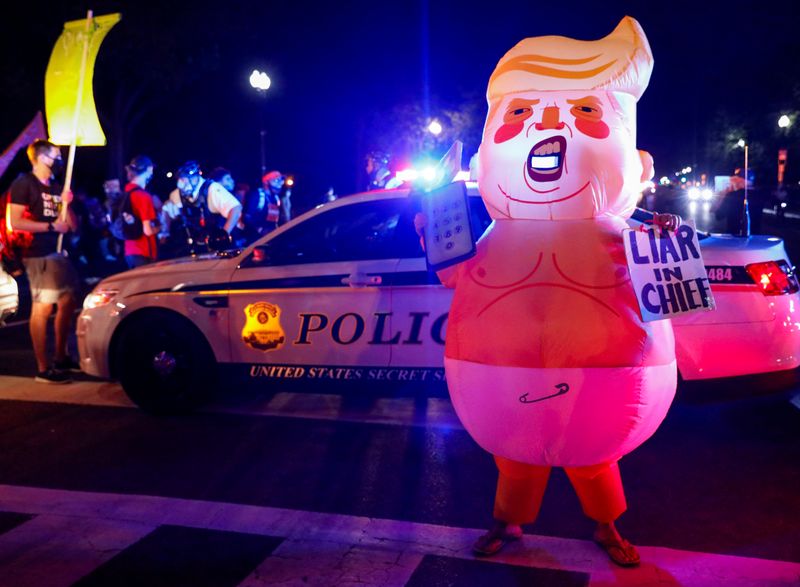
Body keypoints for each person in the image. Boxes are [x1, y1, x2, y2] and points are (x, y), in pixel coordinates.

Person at [415, 17, 679, 568]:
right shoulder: (492, 236)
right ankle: (506, 522)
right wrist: (433, 239)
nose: (549, 124)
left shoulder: (627, 235)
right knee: (516, 455)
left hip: (602, 376)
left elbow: (667, 291)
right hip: (499, 371)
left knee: (595, 455)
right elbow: (454, 276)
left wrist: (668, 249)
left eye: (585, 111)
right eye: (520, 113)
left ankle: (607, 528)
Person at [7, 139, 79, 384]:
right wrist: (49, 226)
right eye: (55, 155)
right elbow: (15, 221)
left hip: (59, 254)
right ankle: (43, 367)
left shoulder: (57, 186)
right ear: (40, 157)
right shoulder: (24, 184)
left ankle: (61, 356)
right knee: (43, 306)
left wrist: (67, 203)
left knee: (68, 301)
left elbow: (71, 226)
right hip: (38, 254)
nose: (58, 160)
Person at [172, 161, 242, 253]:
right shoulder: (177, 195)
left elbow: (236, 208)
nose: (182, 184)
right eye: (181, 180)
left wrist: (223, 235)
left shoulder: (212, 189)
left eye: (185, 179)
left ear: (195, 178)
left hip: (221, 249)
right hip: (198, 247)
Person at [122, 155, 159, 268]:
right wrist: (161, 227)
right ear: (149, 170)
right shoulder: (143, 196)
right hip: (144, 252)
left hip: (129, 250)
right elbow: (147, 230)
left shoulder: (126, 191)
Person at [243, 170, 283, 242]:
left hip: (271, 237)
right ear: (266, 182)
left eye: (281, 180)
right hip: (255, 239)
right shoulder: (257, 195)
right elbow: (247, 217)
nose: (280, 184)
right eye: (276, 180)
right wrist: (260, 230)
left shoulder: (276, 198)